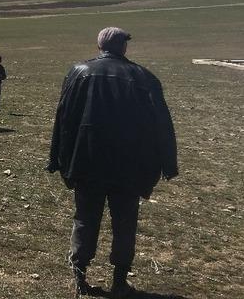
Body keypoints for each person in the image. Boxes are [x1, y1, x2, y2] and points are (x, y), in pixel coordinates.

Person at [47, 27, 178, 298]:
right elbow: (161, 125)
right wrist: (166, 163)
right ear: (123, 47)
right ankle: (119, 281)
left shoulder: (79, 72)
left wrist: (58, 158)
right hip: (128, 167)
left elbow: (64, 119)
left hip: (87, 163)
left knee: (85, 219)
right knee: (125, 223)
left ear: (99, 46)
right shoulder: (143, 77)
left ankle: (79, 278)